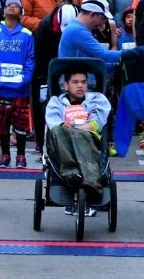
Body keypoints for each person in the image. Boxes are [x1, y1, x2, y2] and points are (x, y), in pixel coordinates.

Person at [44, 68, 112, 214]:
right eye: (75, 82)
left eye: (83, 82)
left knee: (74, 133)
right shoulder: (56, 102)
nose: (80, 85)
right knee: (57, 130)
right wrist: (63, 126)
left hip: (89, 140)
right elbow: (53, 123)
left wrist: (75, 129)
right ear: (66, 85)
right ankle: (71, 172)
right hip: (63, 144)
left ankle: (90, 180)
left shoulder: (96, 100)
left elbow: (96, 123)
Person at [0, 0, 36, 169]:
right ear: (3, 10)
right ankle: (5, 154)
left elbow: (30, 59)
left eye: (16, 6)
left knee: (20, 124)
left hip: (20, 89)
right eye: (9, 5)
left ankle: (21, 155)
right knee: (2, 124)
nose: (12, 7)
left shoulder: (27, 34)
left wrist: (26, 78)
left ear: (21, 12)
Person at [57, 0, 123, 66]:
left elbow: (93, 61)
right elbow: (103, 55)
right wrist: (132, 53)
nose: (102, 23)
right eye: (102, 18)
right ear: (93, 14)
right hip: (74, 75)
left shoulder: (77, 27)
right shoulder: (78, 30)